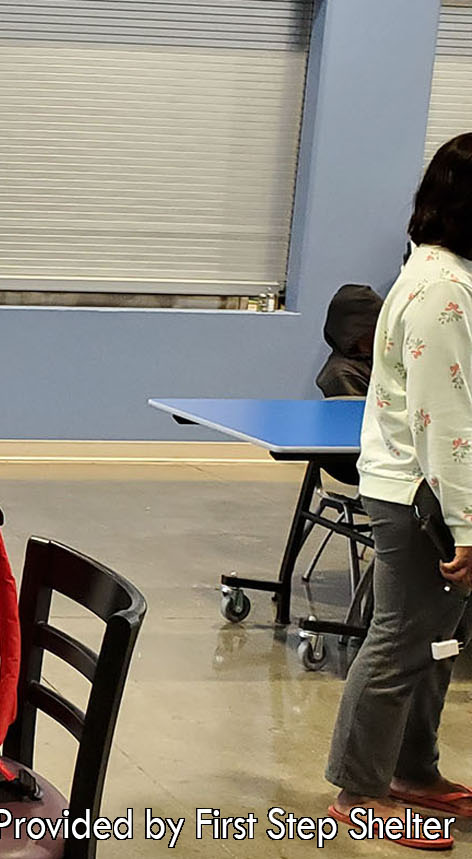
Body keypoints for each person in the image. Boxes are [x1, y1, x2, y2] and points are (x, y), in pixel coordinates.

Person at [326, 132, 472, 850]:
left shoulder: (450, 273)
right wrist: (466, 525)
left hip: (434, 490)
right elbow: (442, 417)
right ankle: (357, 791)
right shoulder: (442, 289)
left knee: (438, 640)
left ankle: (413, 770)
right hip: (424, 495)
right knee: (401, 637)